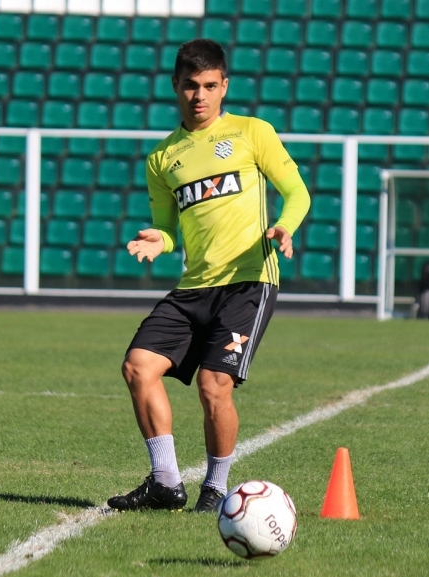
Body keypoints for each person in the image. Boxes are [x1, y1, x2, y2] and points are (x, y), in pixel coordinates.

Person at [107, 39, 311, 513]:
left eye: (209, 86)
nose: (199, 95)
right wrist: (161, 239)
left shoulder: (252, 133)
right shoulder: (162, 159)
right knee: (138, 367)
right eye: (190, 86)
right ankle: (165, 483)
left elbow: (296, 192)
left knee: (213, 384)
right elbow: (168, 227)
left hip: (249, 281)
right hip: (193, 286)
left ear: (224, 87)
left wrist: (285, 225)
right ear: (176, 86)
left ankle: (216, 487)